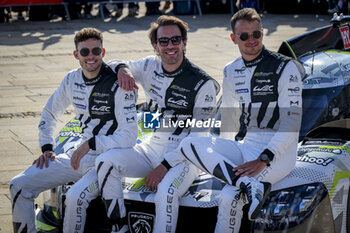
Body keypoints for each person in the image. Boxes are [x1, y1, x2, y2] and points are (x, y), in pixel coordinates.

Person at [177, 8, 303, 232]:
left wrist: (264, 159)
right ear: (234, 38)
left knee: (229, 197)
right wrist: (219, 158)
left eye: (256, 34)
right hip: (247, 146)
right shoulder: (231, 70)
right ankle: (247, 184)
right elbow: (229, 121)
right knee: (187, 144)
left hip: (281, 152)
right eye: (244, 36)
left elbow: (292, 124)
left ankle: (247, 186)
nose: (251, 40)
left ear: (262, 33)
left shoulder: (286, 67)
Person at [96, 15, 220, 233]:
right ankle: (118, 225)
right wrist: (123, 70)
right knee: (105, 161)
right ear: (156, 46)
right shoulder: (149, 65)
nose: (170, 45)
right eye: (164, 41)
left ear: (184, 43)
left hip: (185, 157)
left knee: (166, 191)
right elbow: (112, 64)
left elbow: (199, 137)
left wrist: (165, 166)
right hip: (151, 147)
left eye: (175, 40)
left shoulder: (204, 83)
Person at [9, 27, 138, 233]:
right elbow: (50, 112)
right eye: (84, 52)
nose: (91, 57)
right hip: (80, 157)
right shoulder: (71, 79)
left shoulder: (119, 83)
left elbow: (130, 135)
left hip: (109, 160)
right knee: (19, 185)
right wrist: (47, 147)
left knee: (74, 197)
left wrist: (90, 144)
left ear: (103, 53)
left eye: (96, 51)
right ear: (76, 54)